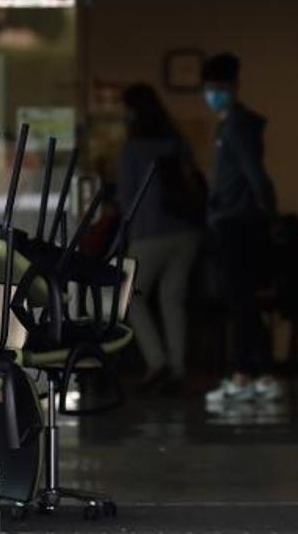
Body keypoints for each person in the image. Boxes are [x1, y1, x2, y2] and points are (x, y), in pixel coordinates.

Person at [199, 53, 281, 404]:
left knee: (241, 303)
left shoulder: (236, 127)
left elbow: (255, 178)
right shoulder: (230, 124)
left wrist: (271, 218)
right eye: (209, 88)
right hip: (234, 222)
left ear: (234, 87)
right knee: (241, 303)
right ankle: (255, 373)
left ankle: (248, 374)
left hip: (239, 225)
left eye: (219, 88)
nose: (214, 94)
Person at [117, 83, 205, 396]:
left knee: (133, 297)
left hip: (148, 233)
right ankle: (177, 368)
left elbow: (126, 196)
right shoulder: (176, 141)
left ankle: (157, 363)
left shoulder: (133, 148)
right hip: (186, 232)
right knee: (172, 298)